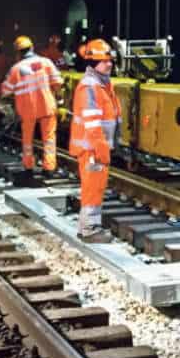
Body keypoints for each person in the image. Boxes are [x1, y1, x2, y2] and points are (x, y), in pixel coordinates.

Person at [69, 40, 120, 242]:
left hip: (98, 148)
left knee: (95, 187)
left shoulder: (103, 84)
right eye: (104, 61)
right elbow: (92, 124)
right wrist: (101, 149)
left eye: (110, 61)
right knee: (92, 188)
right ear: (93, 63)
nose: (109, 64)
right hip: (92, 149)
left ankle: (88, 227)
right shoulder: (90, 87)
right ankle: (90, 230)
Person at [2, 35, 62, 177]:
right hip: (47, 106)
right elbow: (58, 82)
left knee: (27, 139)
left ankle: (28, 166)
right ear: (32, 47)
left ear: (18, 52)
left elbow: (6, 90)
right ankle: (49, 168)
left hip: (27, 109)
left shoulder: (16, 69)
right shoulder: (46, 62)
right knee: (49, 139)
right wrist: (55, 96)